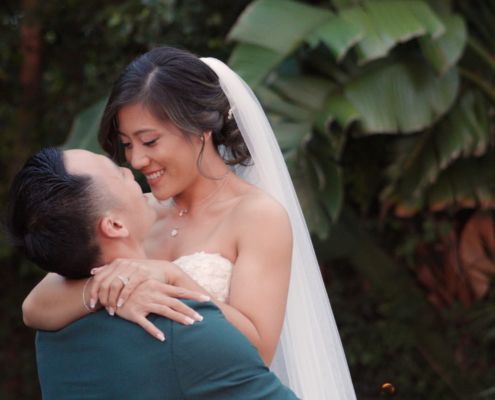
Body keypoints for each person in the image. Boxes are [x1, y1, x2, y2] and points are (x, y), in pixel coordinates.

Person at [21, 47, 356, 399]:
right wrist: (105, 295)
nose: (136, 159)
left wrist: (172, 277)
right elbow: (35, 307)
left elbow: (257, 354)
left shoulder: (257, 215)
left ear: (200, 127)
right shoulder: (135, 212)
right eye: (126, 144)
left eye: (149, 141)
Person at [5, 147, 300, 400]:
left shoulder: (51, 334)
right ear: (115, 226)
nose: (132, 168)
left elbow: (32, 308)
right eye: (118, 173)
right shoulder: (184, 327)